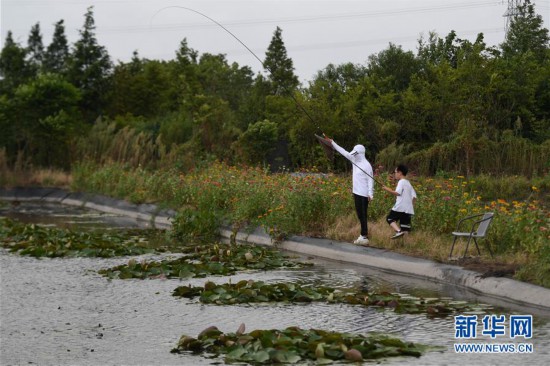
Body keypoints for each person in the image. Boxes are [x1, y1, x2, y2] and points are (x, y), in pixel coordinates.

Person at [328, 138, 374, 245]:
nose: (354, 155)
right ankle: (363, 235)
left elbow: (370, 180)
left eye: (356, 154)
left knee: (363, 215)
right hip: (356, 192)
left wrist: (370, 194)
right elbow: (343, 151)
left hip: (364, 194)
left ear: (361, 154)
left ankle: (364, 236)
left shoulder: (367, 165)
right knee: (359, 214)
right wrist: (332, 142)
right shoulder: (354, 159)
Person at [382, 164, 417, 239]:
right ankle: (406, 245)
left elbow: (398, 193)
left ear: (400, 173)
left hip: (400, 207)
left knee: (389, 218)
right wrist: (411, 206)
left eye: (395, 172)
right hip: (408, 210)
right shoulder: (408, 183)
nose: (394, 174)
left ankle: (398, 231)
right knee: (405, 228)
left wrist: (387, 189)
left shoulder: (401, 182)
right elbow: (414, 197)